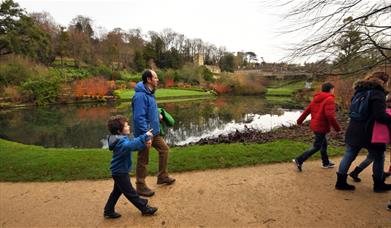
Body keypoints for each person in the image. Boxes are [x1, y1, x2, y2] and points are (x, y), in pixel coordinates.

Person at [335, 72, 391, 192]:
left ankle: (340, 182)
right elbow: (379, 116)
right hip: (371, 131)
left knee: (349, 155)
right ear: (384, 82)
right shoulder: (378, 93)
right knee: (379, 157)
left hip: (354, 128)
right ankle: (378, 184)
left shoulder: (359, 91)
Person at [103, 115, 158, 219]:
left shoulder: (120, 139)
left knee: (117, 192)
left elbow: (133, 144)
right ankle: (144, 208)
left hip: (119, 171)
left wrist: (144, 142)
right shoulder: (121, 142)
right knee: (131, 193)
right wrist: (145, 136)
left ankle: (108, 210)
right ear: (119, 131)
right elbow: (130, 146)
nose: (129, 127)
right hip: (120, 172)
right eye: (126, 125)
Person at [132, 69, 176, 197]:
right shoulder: (140, 96)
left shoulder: (150, 93)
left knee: (164, 149)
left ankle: (162, 176)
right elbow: (139, 118)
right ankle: (140, 186)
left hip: (154, 132)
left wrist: (158, 116)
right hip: (145, 134)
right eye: (155, 78)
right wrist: (146, 135)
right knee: (143, 159)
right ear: (149, 80)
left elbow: (150, 111)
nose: (157, 80)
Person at [293, 82, 341, 171]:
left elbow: (307, 110)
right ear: (330, 89)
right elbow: (330, 116)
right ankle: (299, 160)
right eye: (333, 89)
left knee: (323, 144)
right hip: (321, 127)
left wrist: (299, 121)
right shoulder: (329, 99)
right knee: (317, 146)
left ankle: (326, 162)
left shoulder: (316, 98)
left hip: (315, 125)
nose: (333, 91)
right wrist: (337, 128)